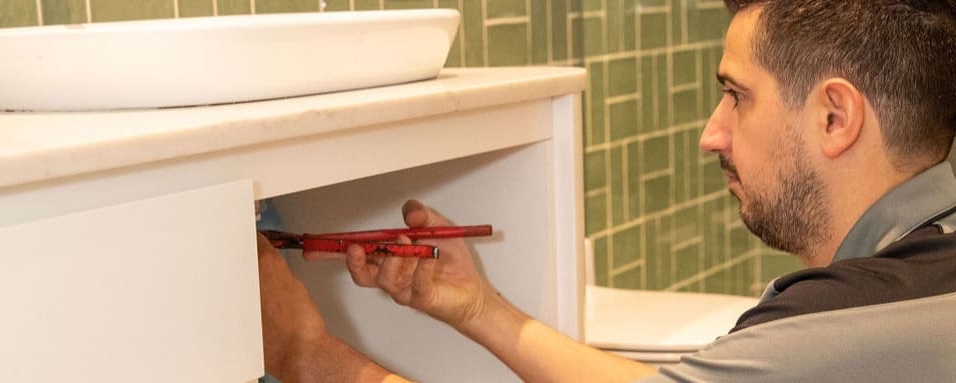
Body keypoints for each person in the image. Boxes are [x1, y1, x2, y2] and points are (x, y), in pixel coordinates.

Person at [257, 0, 956, 381]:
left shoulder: (845, 325)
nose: (712, 135)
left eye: (736, 97)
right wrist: (480, 309)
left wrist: (309, 355)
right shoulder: (924, 279)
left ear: (835, 116)